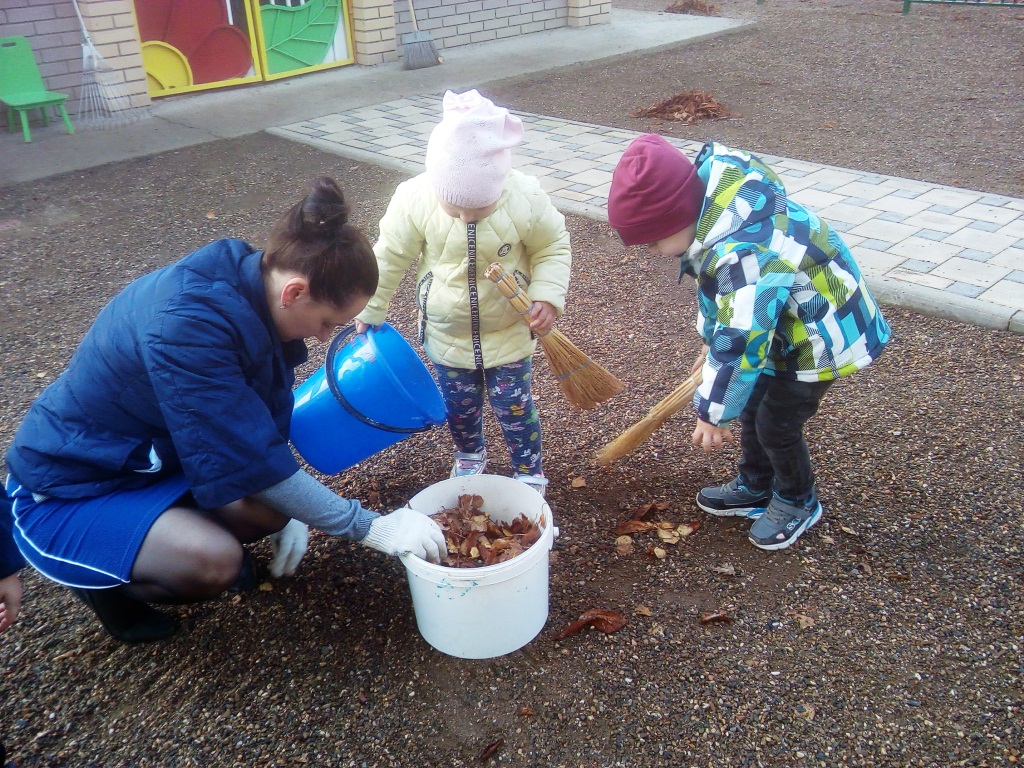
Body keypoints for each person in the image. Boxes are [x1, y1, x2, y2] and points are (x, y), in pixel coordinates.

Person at [3, 177, 446, 644]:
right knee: (212, 561)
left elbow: (255, 429)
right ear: (294, 292)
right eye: (326, 323)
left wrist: (296, 506)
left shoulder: (252, 284)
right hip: (68, 486)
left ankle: (151, 539)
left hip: (149, 461)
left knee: (270, 511)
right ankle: (102, 585)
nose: (322, 338)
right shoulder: (188, 329)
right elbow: (254, 462)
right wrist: (371, 527)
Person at [607, 135, 891, 551]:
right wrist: (709, 340)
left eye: (651, 242)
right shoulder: (718, 223)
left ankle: (797, 500)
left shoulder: (747, 252)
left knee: (776, 423)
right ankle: (758, 485)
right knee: (755, 404)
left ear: (677, 219)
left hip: (821, 339)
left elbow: (743, 340)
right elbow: (722, 299)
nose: (651, 252)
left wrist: (713, 412)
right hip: (783, 329)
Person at [354, 90, 572, 496]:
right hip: (446, 332)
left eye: (478, 210)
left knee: (515, 408)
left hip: (509, 328)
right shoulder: (414, 200)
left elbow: (552, 246)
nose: (466, 218)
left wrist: (545, 295)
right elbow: (388, 258)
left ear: (500, 184)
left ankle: (529, 471)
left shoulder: (525, 197)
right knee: (460, 407)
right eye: (455, 210)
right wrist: (371, 306)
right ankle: (470, 454)